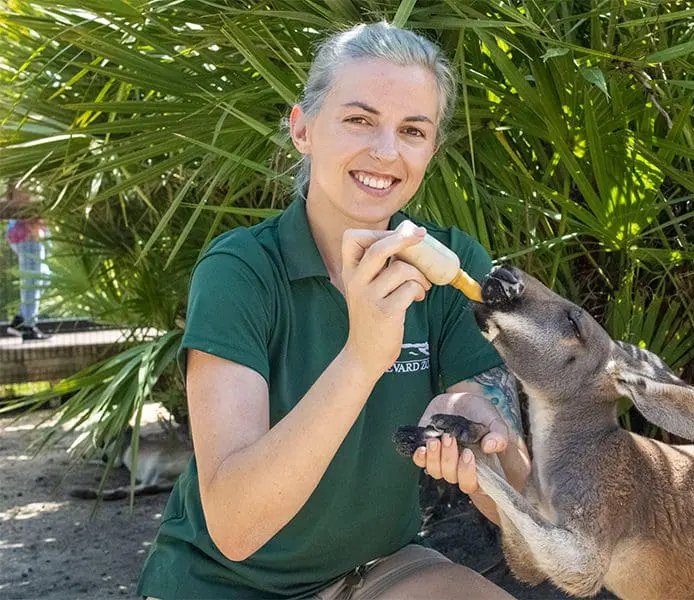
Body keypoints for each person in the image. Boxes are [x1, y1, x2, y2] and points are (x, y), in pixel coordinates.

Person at [137, 22, 531, 600]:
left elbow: (526, 522)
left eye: (412, 130)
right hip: (223, 581)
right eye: (359, 119)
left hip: (374, 570)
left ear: (431, 151)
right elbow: (236, 528)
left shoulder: (452, 266)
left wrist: (481, 435)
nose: (386, 151)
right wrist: (363, 357)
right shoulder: (240, 272)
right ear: (303, 129)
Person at [3, 185, 51, 341]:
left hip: (29, 236)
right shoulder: (22, 184)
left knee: (44, 275)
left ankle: (21, 319)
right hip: (27, 237)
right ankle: (28, 325)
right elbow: (23, 206)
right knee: (33, 280)